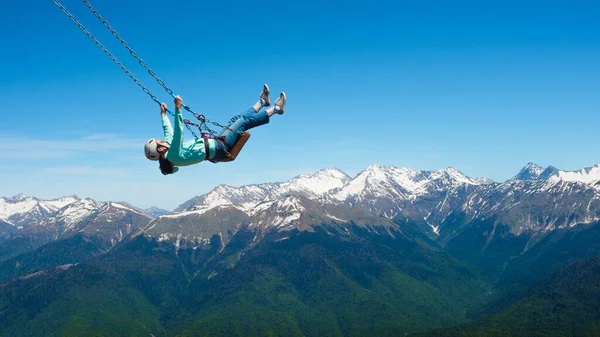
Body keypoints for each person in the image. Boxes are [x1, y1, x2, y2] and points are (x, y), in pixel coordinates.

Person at [144, 84, 286, 175]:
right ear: (160, 149)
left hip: (215, 144)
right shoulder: (173, 156)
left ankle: (262, 102)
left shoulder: (170, 154)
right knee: (242, 123)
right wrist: (177, 109)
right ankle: (276, 109)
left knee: (235, 119)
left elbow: (168, 133)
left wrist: (163, 115)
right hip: (219, 147)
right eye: (159, 142)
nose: (162, 140)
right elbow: (178, 134)